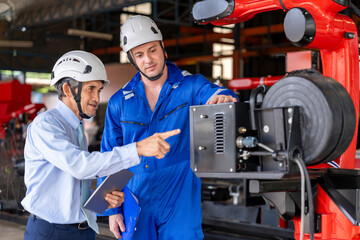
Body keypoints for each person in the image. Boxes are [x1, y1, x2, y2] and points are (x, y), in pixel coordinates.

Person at [99, 15, 238, 240]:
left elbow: (217, 93)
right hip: (136, 198)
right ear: (132, 60)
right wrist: (113, 211)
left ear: (163, 47)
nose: (148, 60)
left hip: (179, 197)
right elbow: (109, 158)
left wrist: (223, 97)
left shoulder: (191, 86)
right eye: (139, 55)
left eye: (152, 50)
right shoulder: (119, 102)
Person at [22, 50, 180, 240]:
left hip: (83, 230)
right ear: (67, 90)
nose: (97, 98)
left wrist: (101, 198)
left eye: (98, 90)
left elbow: (69, 188)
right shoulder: (46, 125)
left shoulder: (77, 127)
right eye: (90, 89)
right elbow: (81, 166)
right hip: (50, 232)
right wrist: (138, 148)